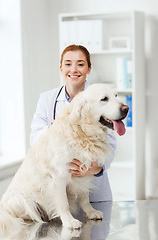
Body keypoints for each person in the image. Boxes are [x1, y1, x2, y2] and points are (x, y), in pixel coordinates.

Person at [30, 44, 116, 202]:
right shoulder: (47, 99)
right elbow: (35, 138)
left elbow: (110, 142)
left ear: (89, 69)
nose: (74, 69)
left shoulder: (102, 98)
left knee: (97, 224)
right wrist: (54, 130)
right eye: (68, 64)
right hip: (60, 190)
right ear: (61, 68)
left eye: (81, 64)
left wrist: (96, 168)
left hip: (93, 192)